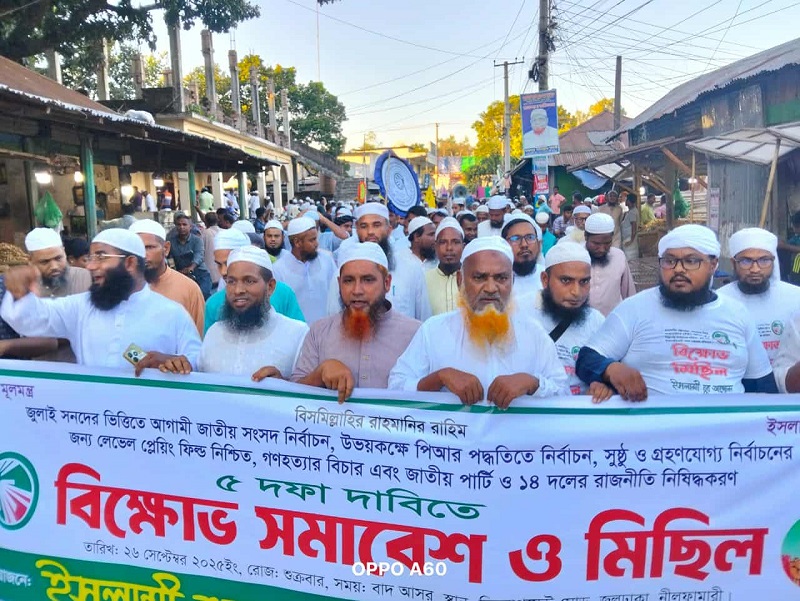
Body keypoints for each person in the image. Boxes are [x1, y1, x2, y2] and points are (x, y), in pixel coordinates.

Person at [576, 224, 777, 399]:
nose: (679, 269)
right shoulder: (635, 308)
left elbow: (761, 385)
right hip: (652, 428)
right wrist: (611, 369)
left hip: (725, 430)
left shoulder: (737, 313)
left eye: (691, 261)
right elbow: (587, 359)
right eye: (669, 261)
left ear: (713, 265)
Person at [389, 237, 568, 407]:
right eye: (479, 277)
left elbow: (564, 395)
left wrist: (532, 383)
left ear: (512, 281)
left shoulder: (533, 333)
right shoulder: (433, 331)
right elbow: (396, 387)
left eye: (501, 278)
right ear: (460, 281)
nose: (490, 288)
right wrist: (439, 378)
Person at [0, 229, 201, 371]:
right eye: (90, 258)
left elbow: (197, 361)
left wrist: (174, 362)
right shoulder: (80, 307)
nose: (90, 266)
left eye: (101, 257)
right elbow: (30, 320)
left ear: (130, 263)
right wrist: (20, 292)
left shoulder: (172, 314)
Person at [293, 242, 420, 401]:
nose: (357, 290)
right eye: (348, 281)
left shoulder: (415, 334)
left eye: (368, 280)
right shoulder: (319, 331)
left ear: (387, 283)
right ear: (339, 284)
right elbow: (293, 396)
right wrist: (320, 373)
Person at [158, 247, 308, 379]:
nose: (238, 290)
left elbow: (309, 393)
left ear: (270, 287)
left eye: (249, 281)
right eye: (231, 281)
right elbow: (200, 380)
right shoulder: (214, 332)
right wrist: (179, 366)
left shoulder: (297, 334)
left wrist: (283, 384)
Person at [525, 240, 609, 399]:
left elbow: (608, 368)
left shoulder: (596, 321)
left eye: (584, 281)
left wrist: (603, 385)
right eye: (566, 281)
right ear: (545, 279)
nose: (576, 292)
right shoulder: (522, 313)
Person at [328, 203, 431, 322]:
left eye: (376, 225)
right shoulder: (343, 273)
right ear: (357, 230)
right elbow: (334, 320)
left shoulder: (411, 268)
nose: (370, 232)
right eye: (364, 226)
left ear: (389, 229)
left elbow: (424, 319)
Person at [719, 228, 800, 369]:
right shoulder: (719, 300)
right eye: (746, 261)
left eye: (764, 260)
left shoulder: (796, 297)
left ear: (774, 262)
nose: (755, 269)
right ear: (733, 263)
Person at [205, 228, 304, 334]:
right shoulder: (213, 304)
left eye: (229, 262)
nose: (224, 271)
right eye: (219, 265)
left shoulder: (284, 294)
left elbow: (299, 336)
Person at [130, 219, 205, 336]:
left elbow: (199, 339)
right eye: (136, 249)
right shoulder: (121, 289)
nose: (142, 254)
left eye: (149, 247)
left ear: (166, 248)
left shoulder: (188, 289)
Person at [272, 216, 337, 325]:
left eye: (316, 238)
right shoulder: (278, 269)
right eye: (312, 240)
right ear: (297, 242)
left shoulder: (327, 260)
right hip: (295, 332)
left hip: (326, 329)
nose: (317, 244)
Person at [584, 213, 636, 316]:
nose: (602, 249)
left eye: (607, 243)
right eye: (596, 244)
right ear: (586, 237)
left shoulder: (619, 256)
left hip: (614, 319)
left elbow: (629, 293)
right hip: (584, 322)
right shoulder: (576, 257)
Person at [167, 212, 212, 299]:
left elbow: (199, 255)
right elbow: (169, 257)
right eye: (179, 225)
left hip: (200, 274)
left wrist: (191, 267)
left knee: (203, 295)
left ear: (190, 227)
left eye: (184, 224)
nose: (181, 227)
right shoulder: (171, 241)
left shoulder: (197, 240)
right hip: (181, 275)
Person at [425, 218, 464, 316]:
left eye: (455, 242)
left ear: (463, 246)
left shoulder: (472, 279)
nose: (449, 248)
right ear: (435, 246)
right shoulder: (424, 279)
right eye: (443, 242)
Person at [502, 214, 543, 300]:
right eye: (515, 238)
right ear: (504, 244)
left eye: (530, 237)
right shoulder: (495, 282)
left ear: (538, 244)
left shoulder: (549, 278)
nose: (524, 244)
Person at [201, 212, 221, 290]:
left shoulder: (204, 233)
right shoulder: (223, 232)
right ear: (218, 220)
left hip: (210, 273)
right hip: (222, 273)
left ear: (206, 221)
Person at [621, 194, 640, 261]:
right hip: (627, 238)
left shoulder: (632, 212)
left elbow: (634, 227)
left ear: (630, 201)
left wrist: (631, 241)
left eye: (627, 200)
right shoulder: (630, 211)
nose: (625, 201)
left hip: (629, 239)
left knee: (630, 259)